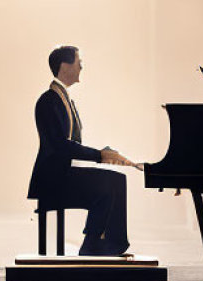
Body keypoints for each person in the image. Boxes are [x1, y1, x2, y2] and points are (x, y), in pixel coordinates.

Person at [27, 45, 138, 256]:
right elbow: (59, 146)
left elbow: (72, 144)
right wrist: (99, 156)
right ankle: (95, 245)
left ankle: (104, 244)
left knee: (116, 182)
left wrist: (103, 153)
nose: (81, 67)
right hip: (52, 179)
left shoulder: (63, 98)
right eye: (78, 62)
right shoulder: (49, 100)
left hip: (64, 174)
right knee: (109, 185)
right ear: (64, 66)